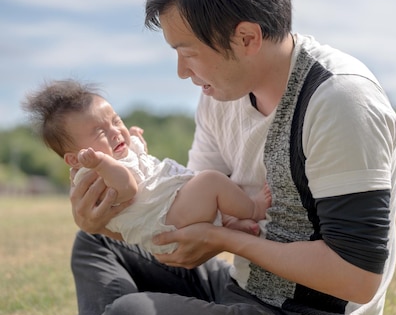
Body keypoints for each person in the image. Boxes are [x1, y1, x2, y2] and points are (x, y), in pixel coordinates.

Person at [11, 0, 396, 315]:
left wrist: (222, 238)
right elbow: (187, 211)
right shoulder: (220, 96)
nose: (180, 71)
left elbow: (356, 277)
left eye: (188, 51)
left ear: (246, 37)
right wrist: (112, 220)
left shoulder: (339, 101)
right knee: (95, 252)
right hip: (240, 289)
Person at [21, 79, 270, 255]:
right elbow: (128, 188)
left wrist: (135, 137)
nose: (115, 131)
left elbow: (137, 159)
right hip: (165, 221)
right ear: (74, 159)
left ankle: (228, 222)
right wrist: (101, 163)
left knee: (207, 190)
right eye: (99, 132)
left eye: (115, 121)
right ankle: (254, 207)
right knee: (212, 182)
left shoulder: (116, 153)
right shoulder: (95, 171)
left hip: (172, 210)